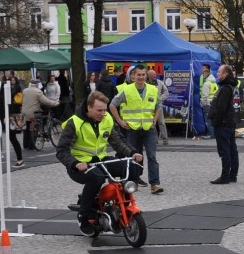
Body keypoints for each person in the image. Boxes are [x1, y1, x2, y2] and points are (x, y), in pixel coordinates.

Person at [56, 91, 143, 235]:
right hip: (80, 165)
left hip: (101, 160)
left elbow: (117, 141)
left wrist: (133, 153)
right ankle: (83, 217)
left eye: (104, 110)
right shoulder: (74, 123)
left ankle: (124, 205)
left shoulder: (107, 118)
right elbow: (61, 151)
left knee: (132, 167)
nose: (103, 113)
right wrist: (75, 163)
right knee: (96, 178)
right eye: (99, 110)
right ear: (89, 108)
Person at [110, 64, 164, 194]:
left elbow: (158, 106)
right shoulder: (127, 90)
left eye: (143, 74)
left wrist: (155, 120)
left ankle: (155, 184)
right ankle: (133, 182)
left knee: (152, 156)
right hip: (132, 129)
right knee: (134, 156)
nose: (141, 77)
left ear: (146, 75)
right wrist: (119, 121)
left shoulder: (153, 89)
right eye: (138, 75)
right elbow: (112, 105)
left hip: (148, 129)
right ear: (133, 76)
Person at [207, 64, 240, 184]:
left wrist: (216, 122)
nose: (217, 73)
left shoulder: (226, 88)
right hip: (229, 122)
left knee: (225, 150)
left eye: (219, 72)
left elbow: (221, 108)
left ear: (225, 74)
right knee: (232, 150)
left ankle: (225, 176)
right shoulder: (230, 87)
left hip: (223, 123)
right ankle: (232, 175)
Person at [21, 80, 59, 149]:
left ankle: (25, 145)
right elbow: (46, 101)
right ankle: (32, 145)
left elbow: (23, 101)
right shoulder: (38, 92)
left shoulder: (25, 91)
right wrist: (56, 103)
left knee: (26, 129)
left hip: (24, 113)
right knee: (34, 128)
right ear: (37, 85)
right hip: (33, 113)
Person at [147, 68, 170, 146]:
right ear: (148, 75)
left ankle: (165, 139)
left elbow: (166, 92)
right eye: (153, 74)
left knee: (161, 122)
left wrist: (160, 99)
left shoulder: (160, 83)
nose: (155, 75)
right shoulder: (145, 84)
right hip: (148, 106)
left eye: (155, 74)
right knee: (151, 123)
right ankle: (154, 139)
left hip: (158, 106)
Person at [199, 64, 216, 139]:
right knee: (212, 120)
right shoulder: (214, 83)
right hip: (213, 103)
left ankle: (211, 134)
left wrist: (203, 103)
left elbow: (204, 96)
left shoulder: (206, 84)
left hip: (207, 104)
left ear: (207, 73)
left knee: (208, 119)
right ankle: (213, 133)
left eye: (204, 73)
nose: (203, 74)